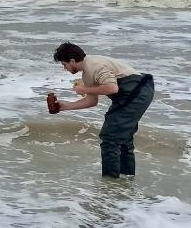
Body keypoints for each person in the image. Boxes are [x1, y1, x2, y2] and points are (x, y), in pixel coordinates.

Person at [46, 42, 154, 178]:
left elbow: (112, 88)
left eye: (64, 64)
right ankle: (126, 180)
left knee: (109, 138)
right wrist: (65, 106)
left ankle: (110, 184)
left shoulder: (93, 66)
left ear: (72, 61)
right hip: (140, 89)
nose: (65, 68)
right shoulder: (88, 72)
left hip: (136, 90)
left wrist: (84, 89)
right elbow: (92, 101)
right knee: (123, 138)